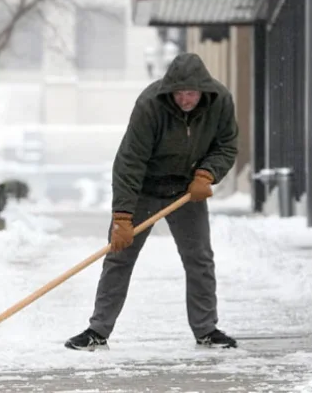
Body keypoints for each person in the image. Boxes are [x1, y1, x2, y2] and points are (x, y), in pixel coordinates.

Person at [65, 53, 239, 351]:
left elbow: (227, 144)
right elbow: (130, 161)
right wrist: (122, 217)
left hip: (187, 190)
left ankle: (206, 329)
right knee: (119, 257)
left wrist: (207, 174)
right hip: (144, 187)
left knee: (199, 259)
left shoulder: (220, 101)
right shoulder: (150, 105)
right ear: (170, 89)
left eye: (192, 93)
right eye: (180, 93)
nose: (186, 100)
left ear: (203, 90)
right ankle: (98, 329)